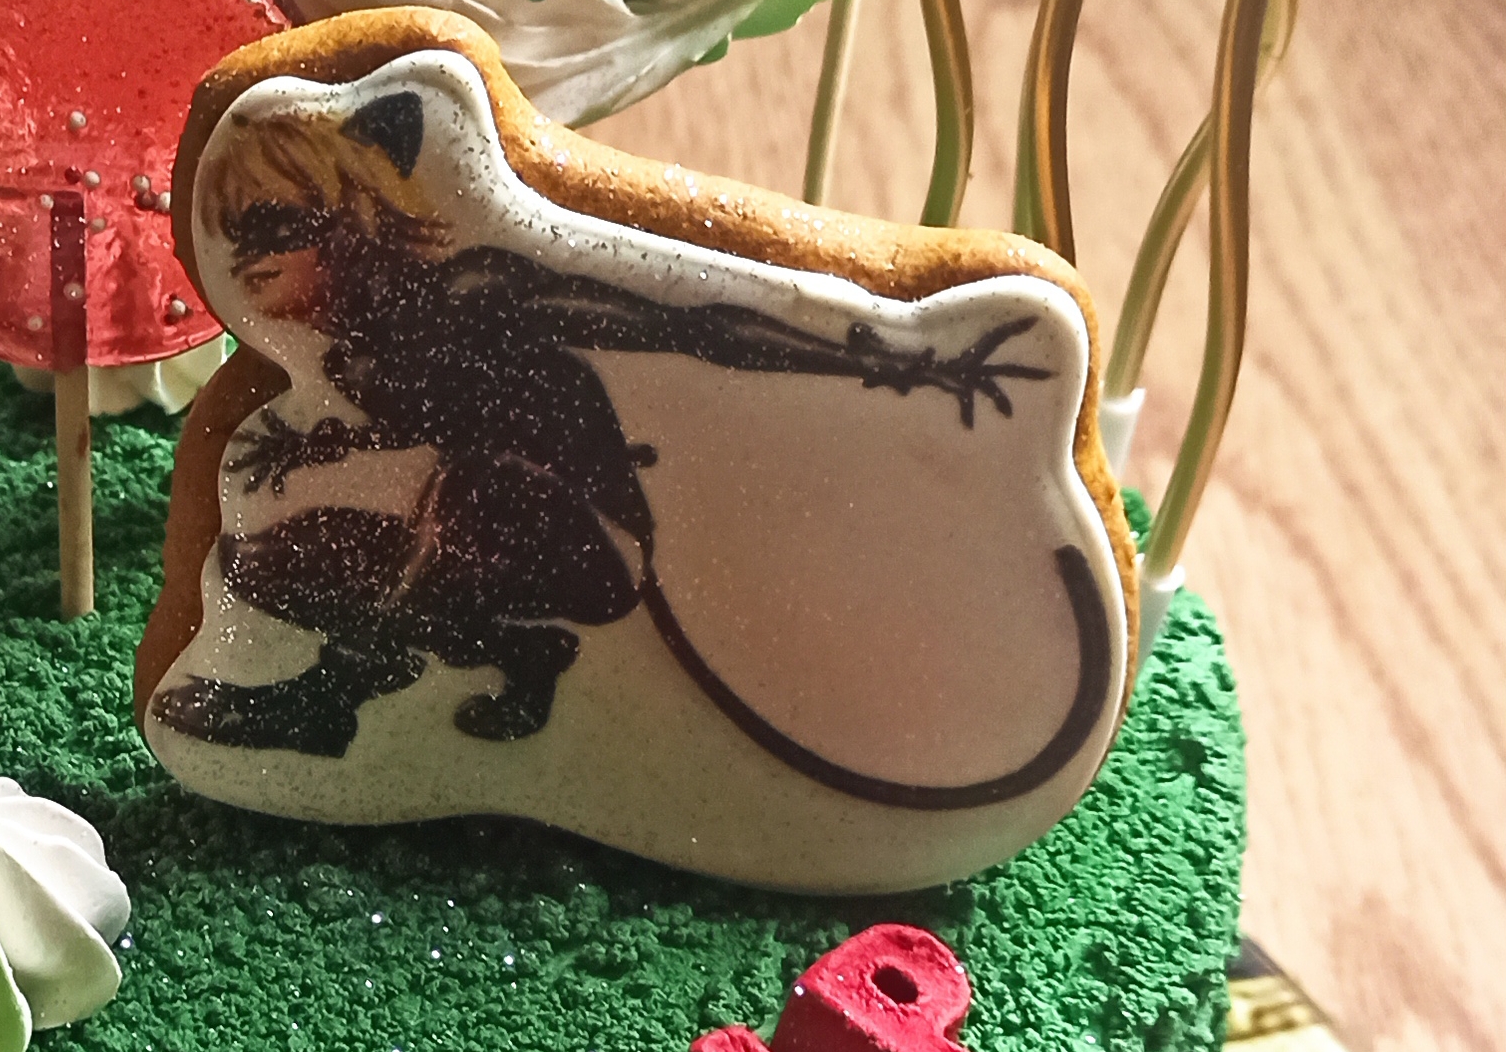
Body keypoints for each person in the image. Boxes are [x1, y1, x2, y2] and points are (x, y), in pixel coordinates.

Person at [152, 92, 1051, 758]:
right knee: (260, 563)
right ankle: (524, 653)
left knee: (475, 484)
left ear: (352, 218)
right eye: (236, 232)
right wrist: (318, 441)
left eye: (274, 225)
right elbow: (424, 415)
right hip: (473, 544)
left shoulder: (482, 290)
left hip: (591, 543)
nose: (248, 258)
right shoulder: (350, 359)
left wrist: (894, 359)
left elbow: (691, 326)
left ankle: (330, 700)